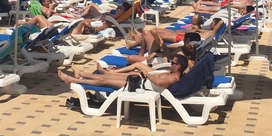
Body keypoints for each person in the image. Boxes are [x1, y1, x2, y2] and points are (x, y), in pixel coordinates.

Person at [58, 54, 189, 89]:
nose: (171, 64)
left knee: (103, 80)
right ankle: (80, 74)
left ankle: (72, 81)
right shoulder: (174, 73)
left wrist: (147, 75)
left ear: (178, 67)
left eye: (173, 63)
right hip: (139, 81)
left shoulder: (172, 78)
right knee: (106, 78)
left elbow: (159, 83)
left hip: (138, 86)